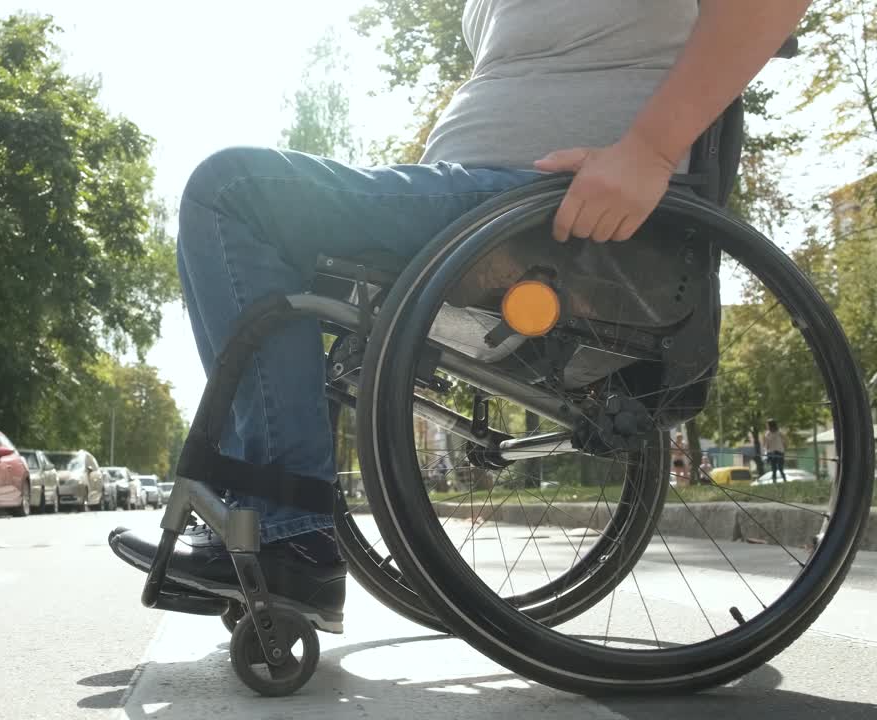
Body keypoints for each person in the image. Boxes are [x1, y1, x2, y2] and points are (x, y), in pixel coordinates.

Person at [108, 0, 813, 632]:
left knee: (231, 193)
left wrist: (650, 151)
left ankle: (285, 531)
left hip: (542, 214)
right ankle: (272, 526)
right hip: (478, 220)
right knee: (256, 227)